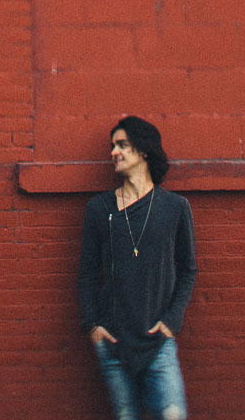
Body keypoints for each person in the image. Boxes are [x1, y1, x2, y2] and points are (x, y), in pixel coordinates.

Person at [78, 116, 197, 420]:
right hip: (113, 343)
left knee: (173, 414)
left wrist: (173, 320)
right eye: (112, 146)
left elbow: (188, 270)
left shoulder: (175, 208)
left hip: (158, 343)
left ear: (143, 151)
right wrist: (92, 323)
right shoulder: (99, 209)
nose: (114, 152)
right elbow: (88, 272)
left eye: (122, 145)